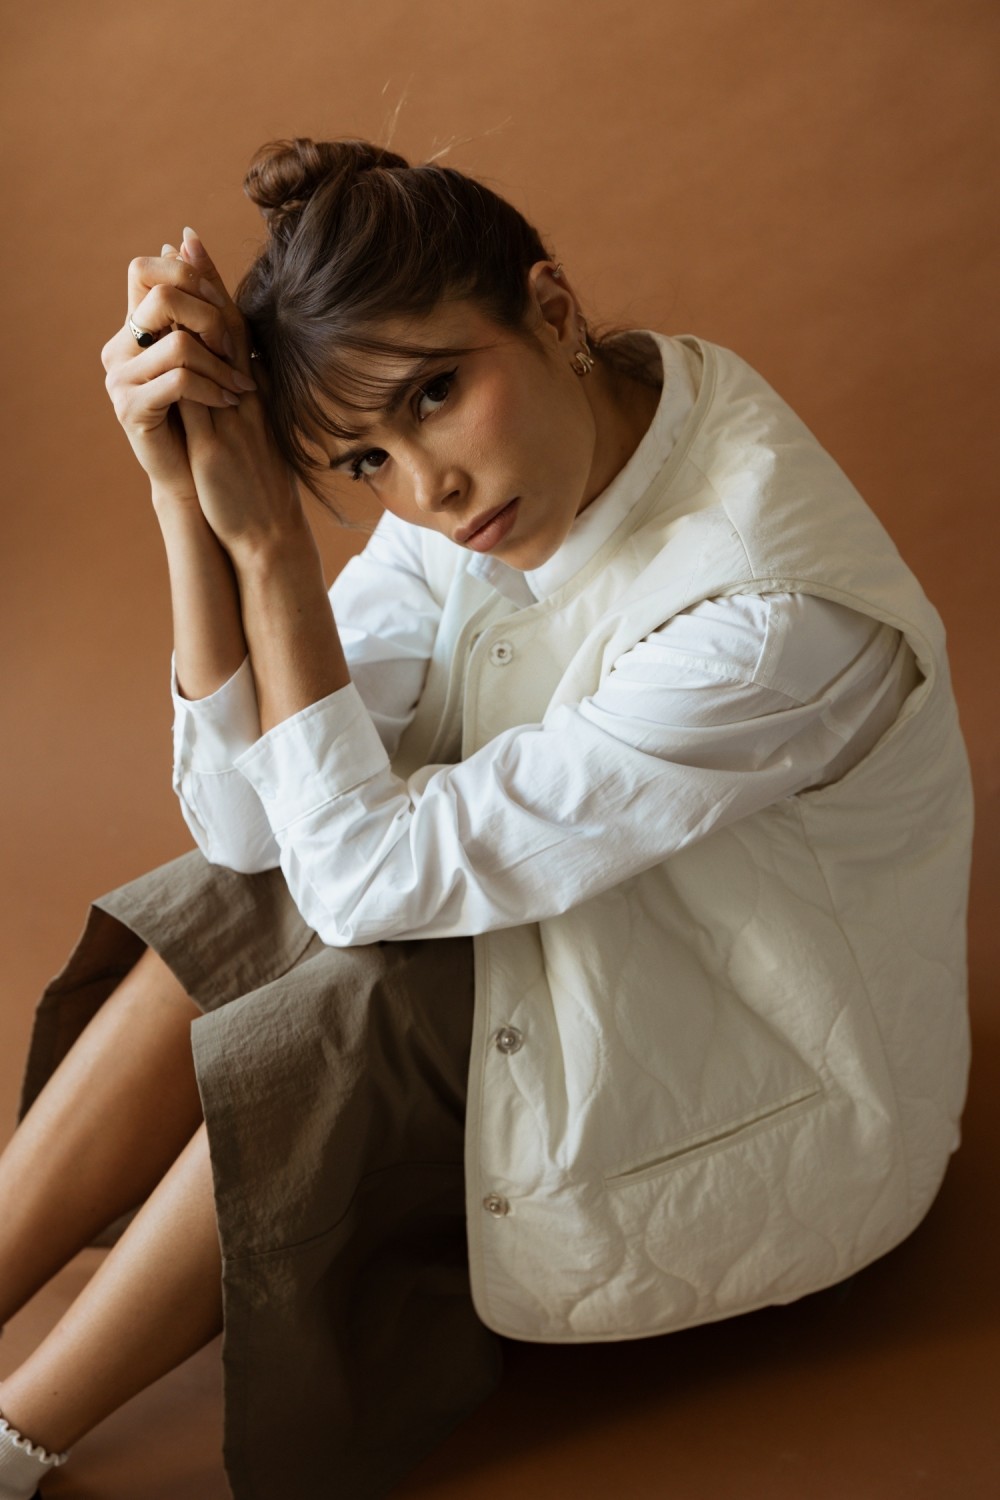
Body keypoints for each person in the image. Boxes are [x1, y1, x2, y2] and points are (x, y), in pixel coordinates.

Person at [0, 136, 973, 1500]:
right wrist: (185, 499)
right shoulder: (520, 457)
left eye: (437, 395)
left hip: (765, 1079)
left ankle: (15, 1438)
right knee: (243, 895)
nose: (425, 492)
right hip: (615, 922)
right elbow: (246, 829)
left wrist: (274, 544)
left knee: (364, 991)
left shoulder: (767, 617)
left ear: (555, 307)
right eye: (364, 459)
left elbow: (358, 881)